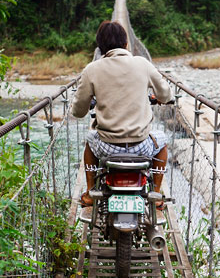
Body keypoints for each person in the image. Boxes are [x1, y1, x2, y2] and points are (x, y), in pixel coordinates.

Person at [71, 20, 174, 207]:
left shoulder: (91, 70)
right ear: (127, 44)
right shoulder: (142, 64)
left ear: (100, 48)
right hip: (141, 147)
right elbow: (166, 95)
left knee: (89, 141)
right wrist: (156, 97)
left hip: (107, 147)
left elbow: (78, 112)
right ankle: (156, 195)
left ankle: (89, 193)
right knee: (162, 142)